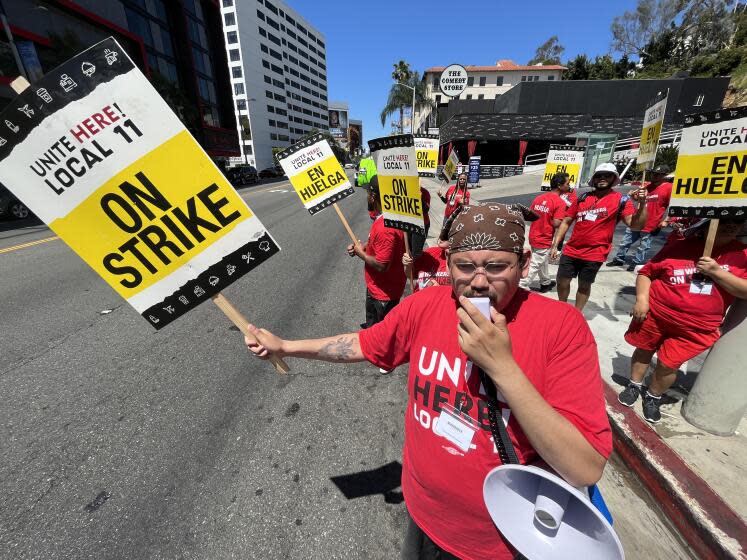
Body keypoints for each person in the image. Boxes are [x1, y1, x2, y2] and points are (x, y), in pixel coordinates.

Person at [246, 202, 612, 560]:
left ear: (524, 264)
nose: (479, 282)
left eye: (497, 266)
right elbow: (362, 343)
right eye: (465, 267)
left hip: (504, 539)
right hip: (424, 515)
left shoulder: (561, 327)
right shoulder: (426, 305)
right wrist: (286, 346)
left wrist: (502, 367)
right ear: (448, 264)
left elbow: (584, 466)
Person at [618, 218, 747, 423]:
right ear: (705, 227)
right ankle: (634, 384)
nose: (731, 225)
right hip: (656, 316)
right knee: (643, 350)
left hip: (696, 328)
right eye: (722, 222)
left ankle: (653, 396)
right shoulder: (679, 247)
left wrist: (716, 272)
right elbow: (646, 273)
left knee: (668, 364)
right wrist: (642, 300)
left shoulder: (742, 254)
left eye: (736, 222)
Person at [551, 162, 648, 311]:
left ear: (613, 178)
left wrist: (642, 204)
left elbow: (636, 225)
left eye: (607, 175)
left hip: (595, 253)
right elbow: (566, 221)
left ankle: (577, 314)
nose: (602, 178)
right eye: (599, 175)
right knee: (562, 280)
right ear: (594, 179)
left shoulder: (621, 200)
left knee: (584, 285)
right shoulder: (583, 197)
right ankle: (562, 308)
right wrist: (555, 245)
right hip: (571, 249)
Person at [347, 176, 406, 335]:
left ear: (373, 196)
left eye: (368, 193)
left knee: (383, 335)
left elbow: (382, 265)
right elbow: (380, 246)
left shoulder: (385, 226)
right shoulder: (388, 217)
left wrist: (360, 253)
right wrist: (364, 247)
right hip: (378, 287)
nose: (367, 196)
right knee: (374, 329)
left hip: (384, 294)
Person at [608, 164, 673, 271]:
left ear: (664, 176)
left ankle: (635, 263)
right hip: (636, 220)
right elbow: (638, 199)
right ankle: (619, 259)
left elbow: (673, 206)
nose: (654, 176)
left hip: (651, 223)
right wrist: (633, 196)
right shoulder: (646, 185)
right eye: (653, 173)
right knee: (625, 242)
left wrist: (666, 220)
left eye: (658, 174)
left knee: (643, 246)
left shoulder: (669, 188)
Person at [520, 172, 568, 292]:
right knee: (536, 263)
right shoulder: (560, 203)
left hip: (534, 234)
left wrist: (544, 214)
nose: (569, 186)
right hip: (544, 237)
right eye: (567, 183)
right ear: (559, 185)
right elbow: (557, 223)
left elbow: (530, 214)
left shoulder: (539, 198)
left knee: (542, 259)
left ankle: (545, 282)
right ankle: (521, 285)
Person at [406, 185, 432, 259]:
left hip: (421, 225)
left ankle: (417, 268)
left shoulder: (425, 192)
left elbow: (426, 210)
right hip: (408, 223)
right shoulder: (406, 190)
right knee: (407, 249)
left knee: (416, 252)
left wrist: (420, 199)